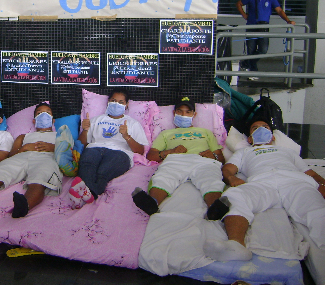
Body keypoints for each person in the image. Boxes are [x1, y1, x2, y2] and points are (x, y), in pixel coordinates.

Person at [204, 117, 325, 261]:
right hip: (262, 183)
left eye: (265, 127)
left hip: (295, 182)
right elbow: (227, 170)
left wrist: (323, 185)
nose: (261, 129)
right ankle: (236, 245)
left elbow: (309, 172)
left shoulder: (287, 151)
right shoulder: (244, 152)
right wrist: (232, 179)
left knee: (317, 210)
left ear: (273, 136)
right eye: (255, 128)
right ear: (249, 139)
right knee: (233, 196)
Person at [132, 97, 225, 216]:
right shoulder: (166, 133)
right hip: (175, 160)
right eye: (180, 111)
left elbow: (221, 158)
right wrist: (169, 152)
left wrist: (214, 157)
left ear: (194, 114)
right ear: (174, 113)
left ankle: (214, 209)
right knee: (163, 178)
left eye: (188, 112)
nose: (183, 115)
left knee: (211, 179)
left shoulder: (205, 132)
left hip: (203, 160)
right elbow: (151, 155)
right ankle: (152, 204)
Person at [69, 88, 149, 209]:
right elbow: (82, 143)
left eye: (121, 102)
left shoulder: (133, 123)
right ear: (108, 102)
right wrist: (85, 130)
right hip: (95, 148)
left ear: (127, 105)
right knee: (88, 163)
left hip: (119, 153)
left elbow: (140, 151)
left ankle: (88, 193)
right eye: (113, 100)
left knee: (103, 171)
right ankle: (91, 194)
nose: (116, 104)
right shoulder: (96, 120)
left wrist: (127, 136)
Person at [236, 0, 296, 77]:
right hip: (251, 26)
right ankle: (253, 71)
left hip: (264, 27)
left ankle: (246, 63)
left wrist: (288, 21)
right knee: (251, 50)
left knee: (263, 50)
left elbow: (279, 10)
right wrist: (244, 15)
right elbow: (239, 3)